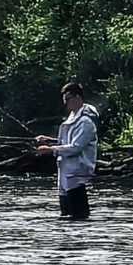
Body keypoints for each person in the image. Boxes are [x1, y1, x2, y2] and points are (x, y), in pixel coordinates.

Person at [36, 81, 98, 220]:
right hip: (65, 171)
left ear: (78, 98)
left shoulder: (86, 122)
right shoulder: (72, 117)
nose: (66, 103)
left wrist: (50, 149)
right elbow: (65, 142)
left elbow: (76, 147)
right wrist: (49, 140)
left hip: (77, 173)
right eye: (64, 99)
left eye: (67, 99)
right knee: (66, 216)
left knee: (79, 217)